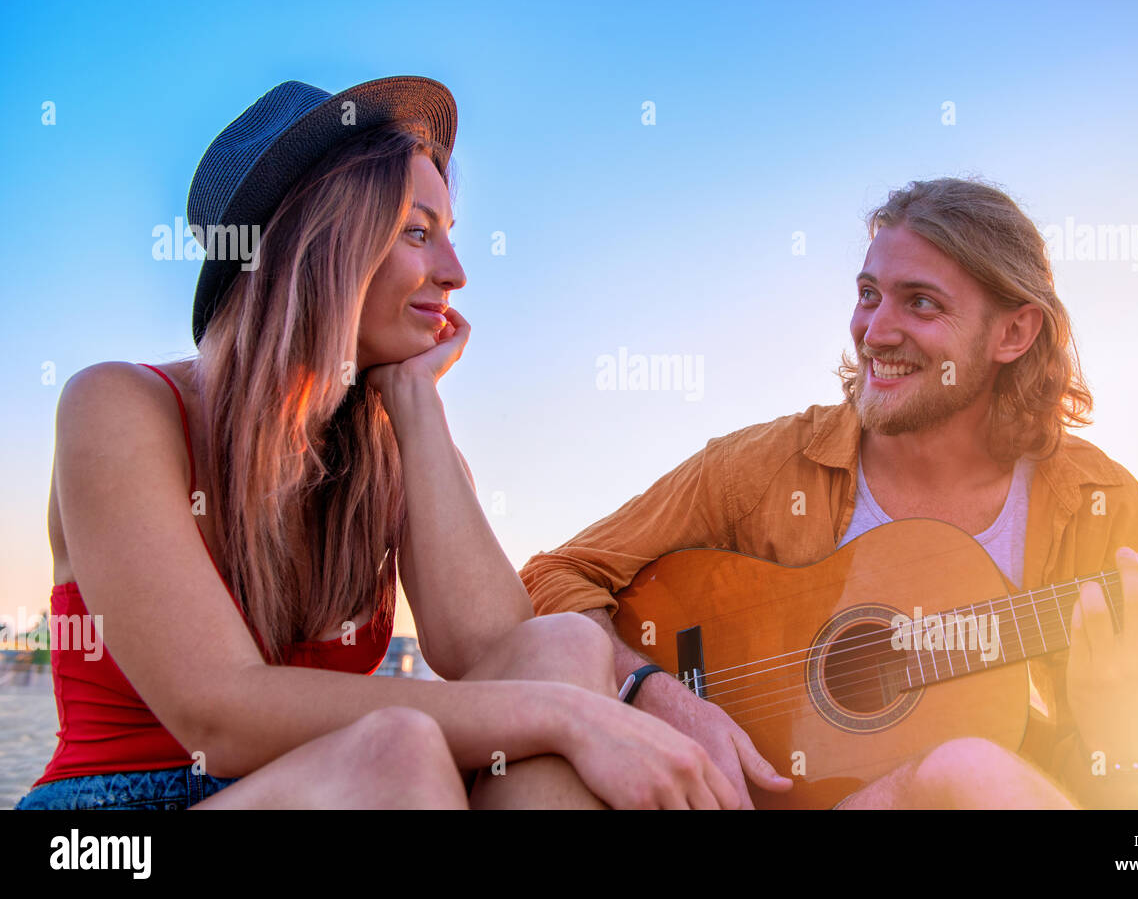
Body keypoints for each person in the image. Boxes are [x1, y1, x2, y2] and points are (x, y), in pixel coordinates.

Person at [16, 76, 735, 810]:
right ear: (321, 247)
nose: (455, 274)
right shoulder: (119, 407)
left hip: (349, 785)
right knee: (397, 755)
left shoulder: (387, 451)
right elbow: (217, 714)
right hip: (115, 818)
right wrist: (569, 715)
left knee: (567, 647)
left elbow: (488, 647)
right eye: (418, 232)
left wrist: (416, 405)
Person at [519, 177, 1138, 809]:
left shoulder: (1102, 507)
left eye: (920, 302)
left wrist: (1126, 747)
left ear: (1014, 333)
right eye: (869, 294)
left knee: (965, 769)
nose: (875, 330)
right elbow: (553, 576)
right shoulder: (761, 468)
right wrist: (655, 692)